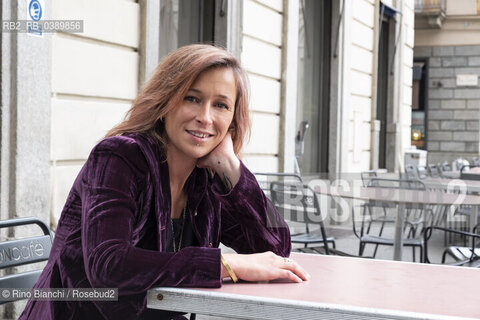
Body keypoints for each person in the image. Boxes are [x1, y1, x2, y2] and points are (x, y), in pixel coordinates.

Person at [19, 44, 309, 320]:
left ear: (233, 120)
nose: (205, 117)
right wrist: (226, 264)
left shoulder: (207, 177)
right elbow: (108, 265)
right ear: (166, 100)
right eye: (192, 98)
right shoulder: (120, 157)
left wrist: (233, 169)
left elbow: (276, 246)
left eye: (220, 105)